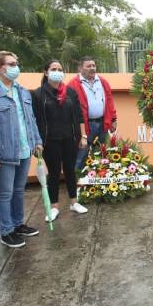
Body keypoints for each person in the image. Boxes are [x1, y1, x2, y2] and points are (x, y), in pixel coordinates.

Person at [0, 51, 44, 249]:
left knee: (18, 190)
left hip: (23, 150)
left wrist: (36, 140)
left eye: (16, 63)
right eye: (11, 64)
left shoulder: (21, 91)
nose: (15, 67)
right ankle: (7, 231)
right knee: (4, 193)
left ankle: (18, 224)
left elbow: (30, 120)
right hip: (2, 154)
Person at [31, 60, 89, 221]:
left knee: (70, 170)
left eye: (60, 69)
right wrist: (37, 142)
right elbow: (34, 120)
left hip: (70, 138)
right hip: (50, 141)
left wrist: (83, 136)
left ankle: (74, 202)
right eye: (53, 69)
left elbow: (79, 116)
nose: (57, 71)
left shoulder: (70, 92)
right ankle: (54, 207)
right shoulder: (38, 94)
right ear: (46, 72)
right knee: (54, 173)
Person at [68, 56, 118, 170]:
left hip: (102, 124)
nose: (92, 68)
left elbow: (109, 101)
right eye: (88, 66)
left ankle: (97, 183)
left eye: (94, 66)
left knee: (101, 155)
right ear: (80, 68)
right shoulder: (72, 84)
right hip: (84, 126)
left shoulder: (103, 82)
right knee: (81, 156)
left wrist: (113, 119)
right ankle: (77, 184)